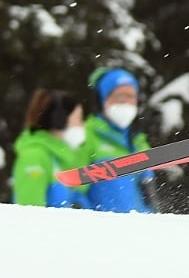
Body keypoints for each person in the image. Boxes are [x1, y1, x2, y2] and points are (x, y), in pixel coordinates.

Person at [83, 66, 156, 212]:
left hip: (137, 230)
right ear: (103, 99)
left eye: (131, 96)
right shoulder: (86, 136)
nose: (126, 102)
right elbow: (72, 191)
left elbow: (146, 198)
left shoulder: (138, 141)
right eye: (119, 96)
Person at [12, 89, 91, 208]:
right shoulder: (34, 157)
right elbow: (29, 214)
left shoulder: (59, 157)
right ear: (60, 121)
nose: (82, 125)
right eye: (78, 118)